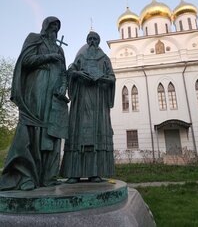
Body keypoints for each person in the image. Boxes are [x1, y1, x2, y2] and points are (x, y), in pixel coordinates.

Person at [0, 16, 69, 191]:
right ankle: (25, 176)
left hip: (54, 96)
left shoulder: (60, 50)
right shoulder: (34, 39)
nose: (54, 29)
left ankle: (47, 176)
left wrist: (62, 87)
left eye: (57, 26)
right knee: (31, 129)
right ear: (45, 26)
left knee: (51, 133)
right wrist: (48, 57)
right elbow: (26, 61)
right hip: (36, 89)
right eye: (52, 25)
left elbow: (63, 73)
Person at [60, 31, 115, 183]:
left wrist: (102, 78)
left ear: (98, 41)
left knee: (97, 134)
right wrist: (78, 74)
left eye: (95, 39)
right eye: (89, 39)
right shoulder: (81, 57)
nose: (92, 41)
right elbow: (70, 71)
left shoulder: (105, 59)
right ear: (86, 41)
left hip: (98, 101)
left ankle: (95, 173)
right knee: (77, 133)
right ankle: (74, 173)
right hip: (82, 101)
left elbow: (112, 77)